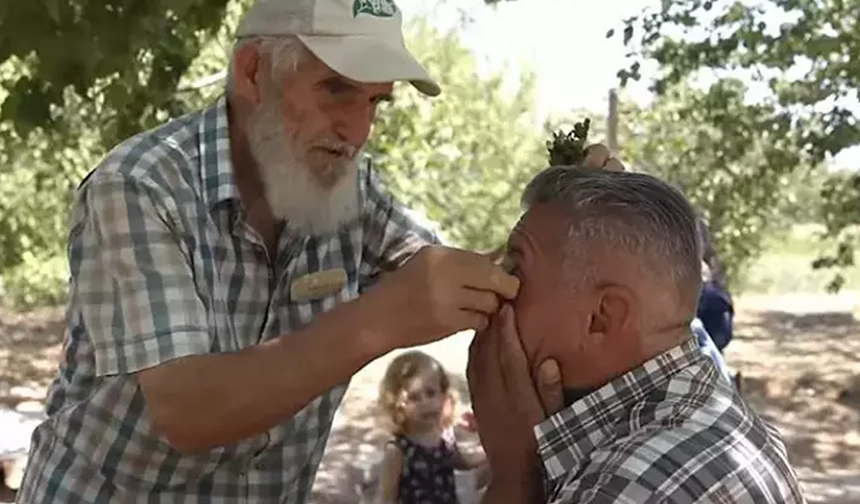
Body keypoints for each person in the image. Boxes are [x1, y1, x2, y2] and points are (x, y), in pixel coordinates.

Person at [15, 0, 623, 502]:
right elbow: (186, 409)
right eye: (336, 89)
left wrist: (567, 207)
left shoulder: (350, 188)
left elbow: (459, 280)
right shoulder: (142, 185)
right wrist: (378, 318)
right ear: (251, 72)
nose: (357, 131)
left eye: (375, 102)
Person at [467, 165, 805, 503]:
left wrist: (513, 474)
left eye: (514, 271)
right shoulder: (722, 416)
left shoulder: (620, 488)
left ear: (602, 317)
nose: (494, 296)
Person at [374, 351, 487, 504]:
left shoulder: (444, 435)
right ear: (397, 404)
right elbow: (385, 497)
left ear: (443, 395)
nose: (425, 403)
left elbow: (461, 461)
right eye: (414, 397)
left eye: (431, 393)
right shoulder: (398, 450)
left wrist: (490, 452)